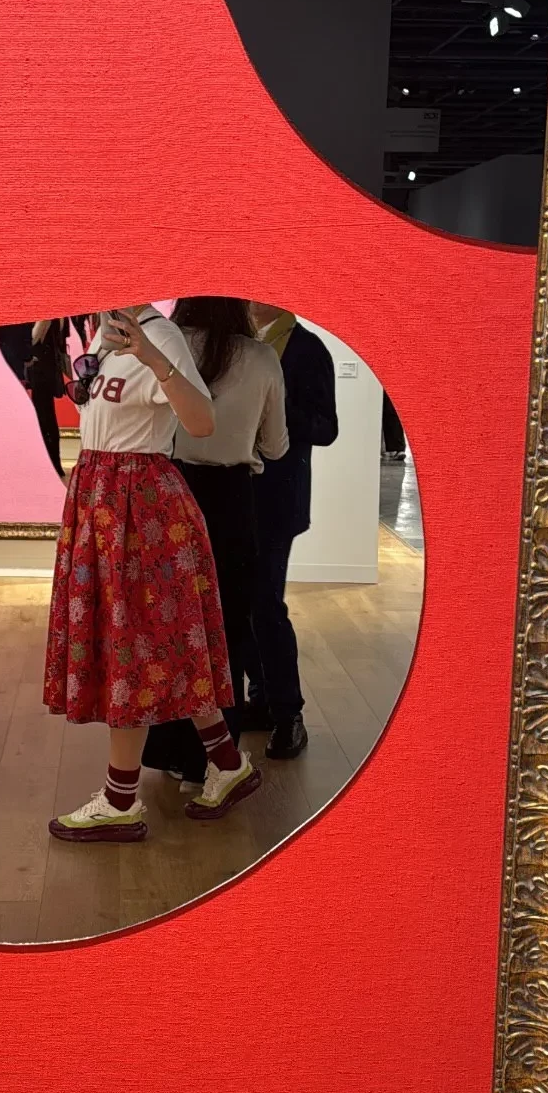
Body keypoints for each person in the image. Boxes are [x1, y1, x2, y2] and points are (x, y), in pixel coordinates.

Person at [44, 304, 261, 841]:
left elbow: (202, 423)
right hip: (102, 498)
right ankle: (228, 763)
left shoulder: (159, 336)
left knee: (132, 647)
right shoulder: (101, 334)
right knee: (162, 644)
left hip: (139, 505)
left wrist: (153, 357)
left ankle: (121, 800)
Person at [142, 297, 287, 787]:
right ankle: (213, 758)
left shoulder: (167, 345)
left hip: (171, 491)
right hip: (232, 499)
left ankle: (169, 750)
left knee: (168, 627)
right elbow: (276, 446)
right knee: (227, 630)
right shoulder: (261, 356)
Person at [242, 304, 339, 760]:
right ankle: (261, 698)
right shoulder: (240, 346)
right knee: (243, 605)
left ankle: (288, 715)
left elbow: (327, 427)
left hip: (278, 500)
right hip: (236, 494)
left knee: (265, 606)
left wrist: (274, 410)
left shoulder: (307, 348)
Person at [0, 318, 94, 479]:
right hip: (42, 366)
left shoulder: (44, 315)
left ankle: (51, 464)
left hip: (39, 368)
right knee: (45, 416)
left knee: (44, 417)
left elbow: (34, 340)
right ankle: (52, 464)